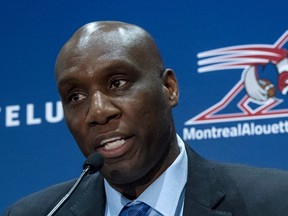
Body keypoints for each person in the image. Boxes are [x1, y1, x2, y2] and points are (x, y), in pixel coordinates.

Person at [2, 21, 288, 216]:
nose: (98, 112)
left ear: (169, 89)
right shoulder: (37, 213)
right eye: (75, 97)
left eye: (117, 83)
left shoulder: (276, 201)